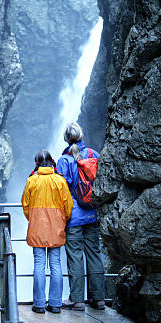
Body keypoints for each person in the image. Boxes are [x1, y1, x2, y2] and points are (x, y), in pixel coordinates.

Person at [56, 122, 105, 311]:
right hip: (93, 214)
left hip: (73, 217)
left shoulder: (64, 160)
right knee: (94, 254)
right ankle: (98, 298)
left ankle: (77, 300)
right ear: (82, 135)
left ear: (66, 139)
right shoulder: (94, 155)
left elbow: (62, 191)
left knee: (75, 257)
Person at [21, 150, 73, 314]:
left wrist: (34, 219)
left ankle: (39, 304)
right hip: (56, 228)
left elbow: (25, 205)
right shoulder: (60, 181)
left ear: (37, 163)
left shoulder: (32, 181)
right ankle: (56, 304)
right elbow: (68, 207)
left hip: (37, 228)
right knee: (56, 264)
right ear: (52, 162)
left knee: (39, 264)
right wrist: (61, 220)